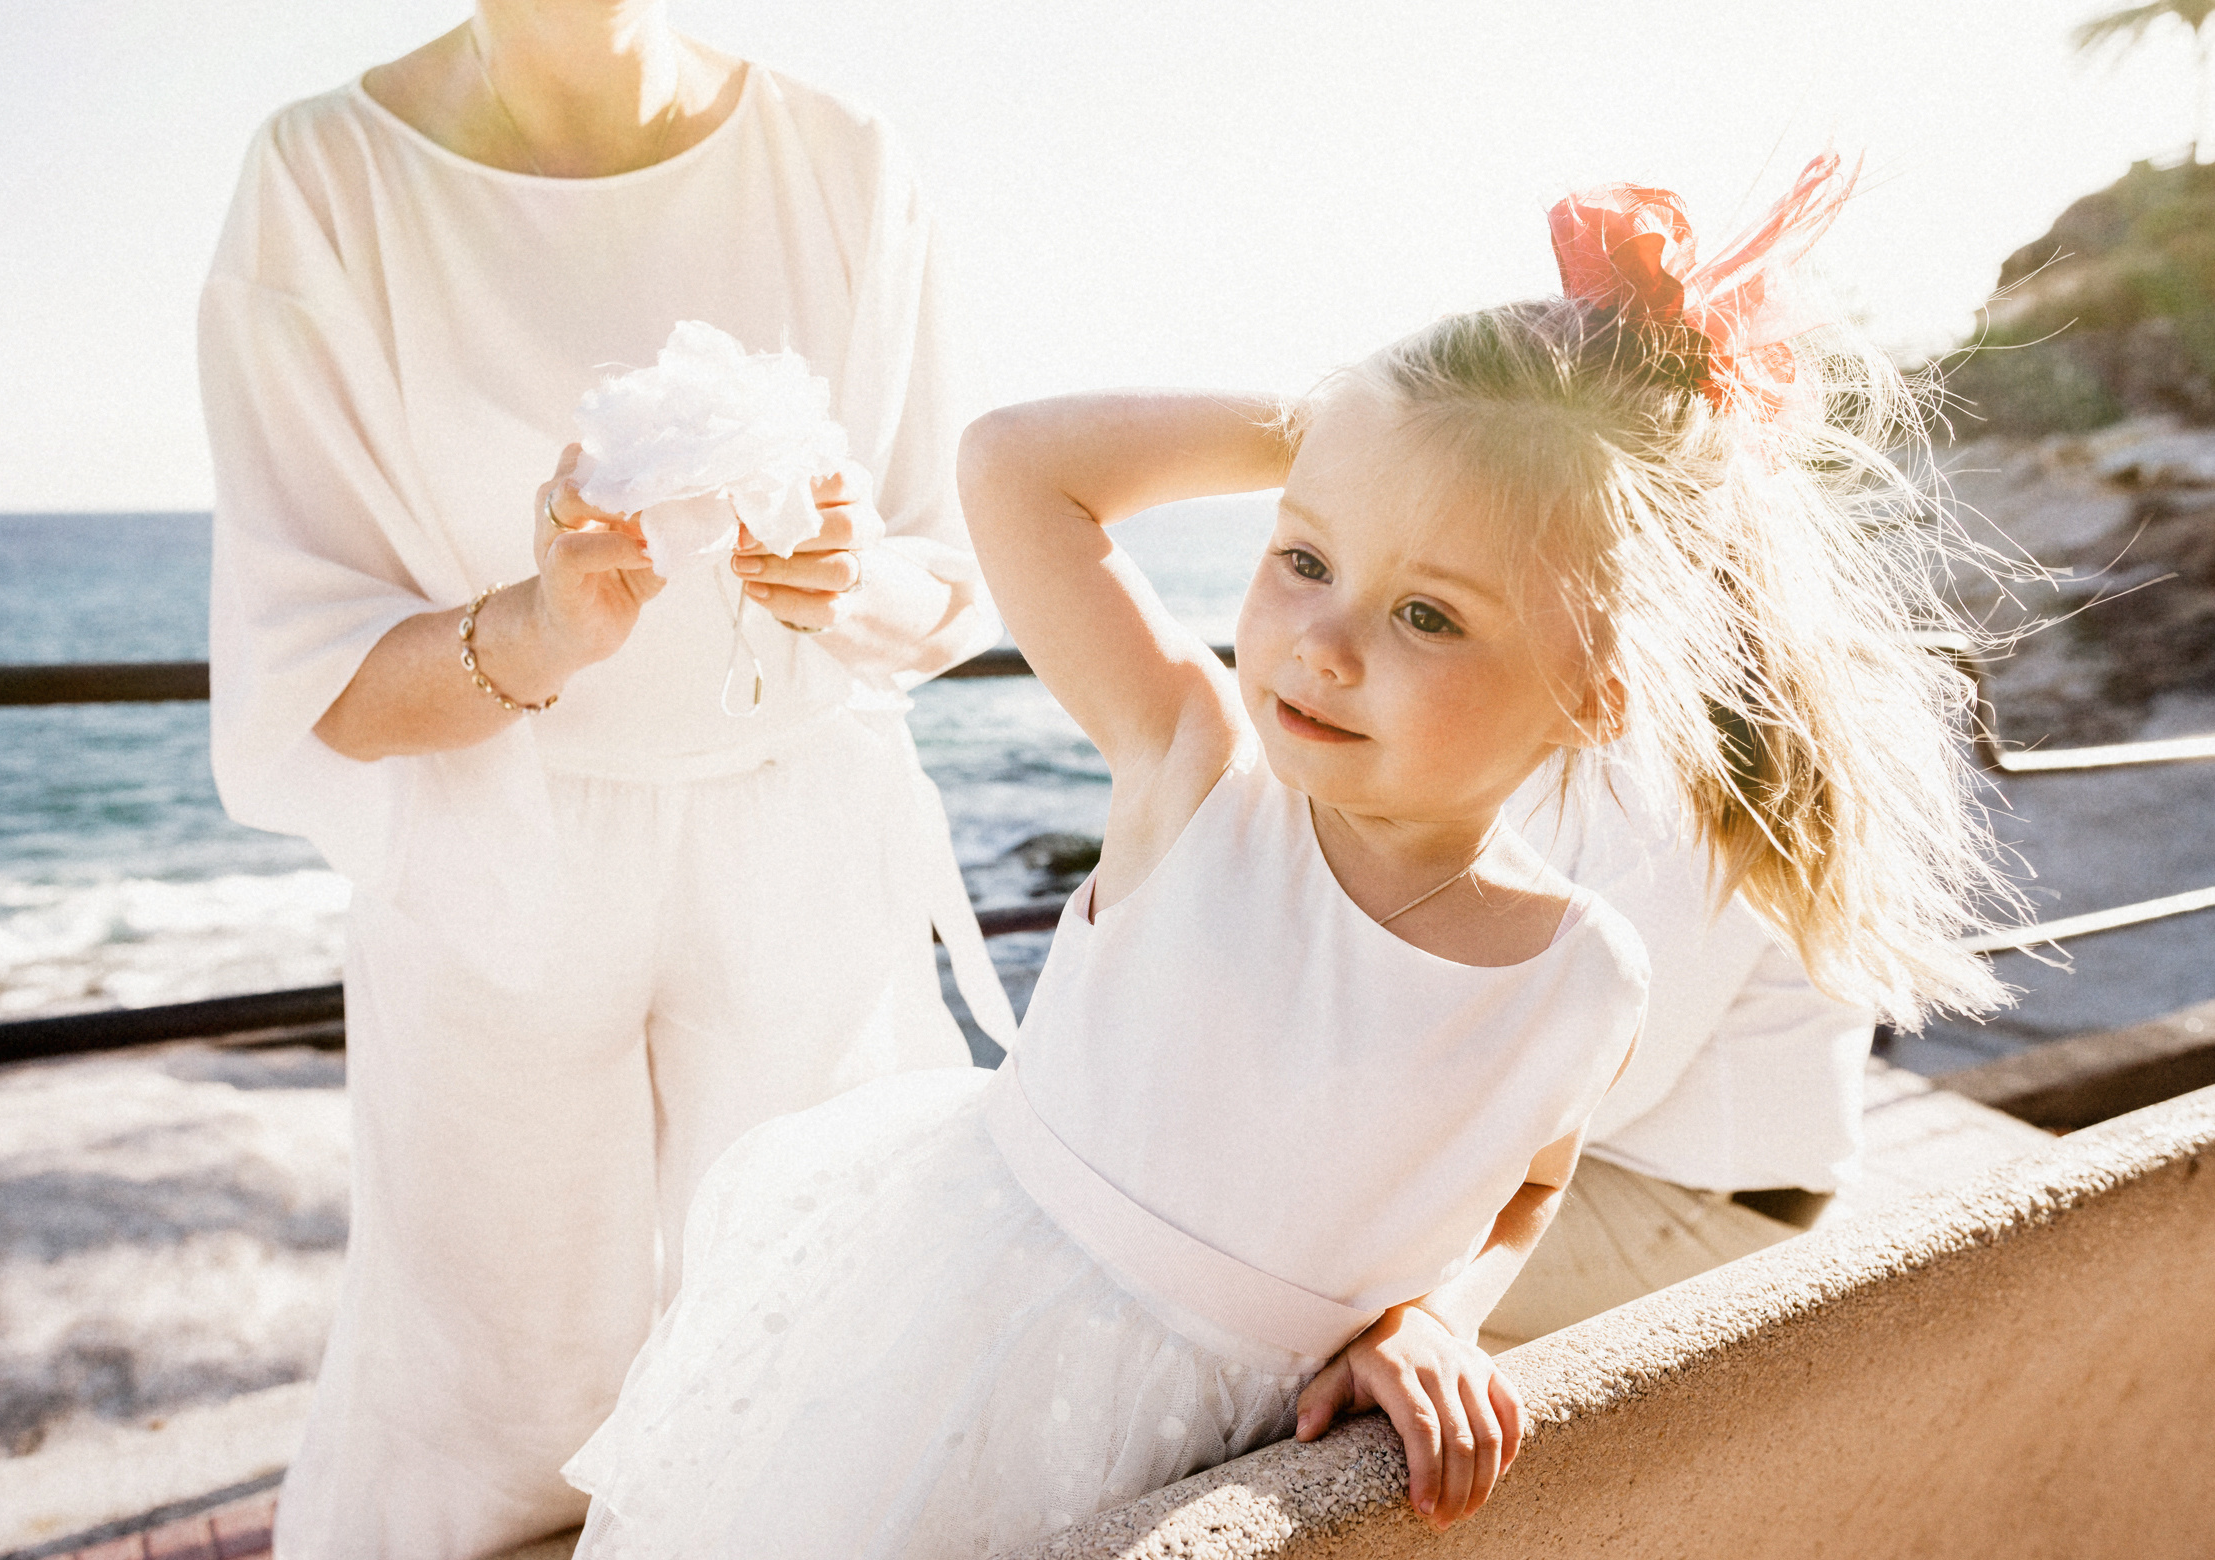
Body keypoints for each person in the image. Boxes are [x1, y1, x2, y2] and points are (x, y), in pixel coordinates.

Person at [557, 156, 2009, 1557]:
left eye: (1428, 616)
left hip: (1223, 1451)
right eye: (1305, 558)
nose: (1322, 644)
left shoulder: (1579, 975)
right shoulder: (1195, 772)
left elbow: (1525, 1188)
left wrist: (1435, 1316)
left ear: (1595, 694)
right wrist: (1352, 425)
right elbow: (1013, 463)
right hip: (948, 1368)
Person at [197, 5, 1010, 1554]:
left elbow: (944, 579)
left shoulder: (842, 160)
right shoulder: (324, 176)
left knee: (818, 1378)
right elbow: (315, 680)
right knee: (491, 1425)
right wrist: (541, 627)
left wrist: (836, 577)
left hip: (801, 847)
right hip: (493, 857)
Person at [1476, 776, 1873, 1349]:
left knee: (1355, 1260)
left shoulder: (1689, 802)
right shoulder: (1620, 770)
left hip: (1700, 1211)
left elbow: (1608, 1078)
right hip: (1618, 1169)